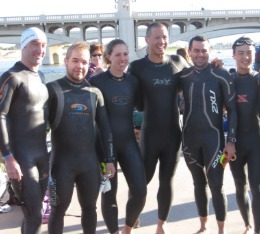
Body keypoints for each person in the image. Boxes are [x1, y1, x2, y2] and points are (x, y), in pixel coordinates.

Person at [46, 41, 116, 234]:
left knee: (90, 209)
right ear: (66, 61)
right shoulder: (52, 90)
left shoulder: (94, 93)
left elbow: (105, 129)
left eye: (84, 62)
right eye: (75, 60)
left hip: (89, 164)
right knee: (58, 210)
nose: (80, 66)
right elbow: (38, 128)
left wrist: (109, 160)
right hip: (62, 165)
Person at [127, 22, 190, 234]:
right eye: (156, 37)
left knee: (166, 181)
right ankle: (133, 215)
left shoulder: (178, 62)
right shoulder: (137, 67)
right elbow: (133, 102)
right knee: (141, 181)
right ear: (146, 39)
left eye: (164, 37)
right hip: (149, 134)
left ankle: (161, 225)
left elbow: (198, 82)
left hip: (173, 135)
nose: (161, 41)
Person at [179, 35, 237, 234]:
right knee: (198, 183)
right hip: (189, 141)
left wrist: (231, 141)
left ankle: (221, 230)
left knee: (216, 184)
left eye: (204, 50)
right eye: (196, 50)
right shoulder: (183, 77)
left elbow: (233, 110)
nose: (200, 54)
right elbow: (159, 94)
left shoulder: (220, 75)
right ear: (189, 52)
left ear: (209, 52)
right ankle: (203, 226)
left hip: (215, 141)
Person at [89, 39, 147, 234]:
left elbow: (140, 107)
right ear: (108, 57)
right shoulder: (97, 82)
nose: (123, 59)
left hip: (129, 142)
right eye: (118, 55)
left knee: (140, 190)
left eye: (125, 54)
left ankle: (127, 229)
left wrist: (139, 127)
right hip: (104, 148)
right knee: (109, 194)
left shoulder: (132, 81)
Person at [0, 27, 49, 234]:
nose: (40, 49)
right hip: (21, 157)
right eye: (35, 44)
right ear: (24, 46)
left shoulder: (41, 77)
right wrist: (8, 157)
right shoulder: (11, 77)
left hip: (42, 154)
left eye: (44, 45)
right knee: (35, 214)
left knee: (33, 214)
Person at [230, 36, 260, 234]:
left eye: (248, 53)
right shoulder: (227, 80)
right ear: (233, 55)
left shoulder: (257, 79)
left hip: (256, 140)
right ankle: (247, 224)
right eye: (240, 53)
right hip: (235, 143)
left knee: (257, 188)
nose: (245, 57)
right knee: (239, 185)